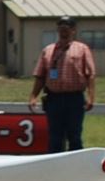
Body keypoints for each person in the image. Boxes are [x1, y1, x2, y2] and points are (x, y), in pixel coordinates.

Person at [28, 15, 96, 153]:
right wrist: (33, 96)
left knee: (74, 136)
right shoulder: (48, 50)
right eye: (61, 28)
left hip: (74, 99)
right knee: (55, 137)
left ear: (73, 30)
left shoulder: (82, 49)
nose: (63, 31)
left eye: (67, 28)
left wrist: (91, 97)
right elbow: (40, 76)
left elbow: (90, 75)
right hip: (54, 99)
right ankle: (55, 169)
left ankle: (75, 168)